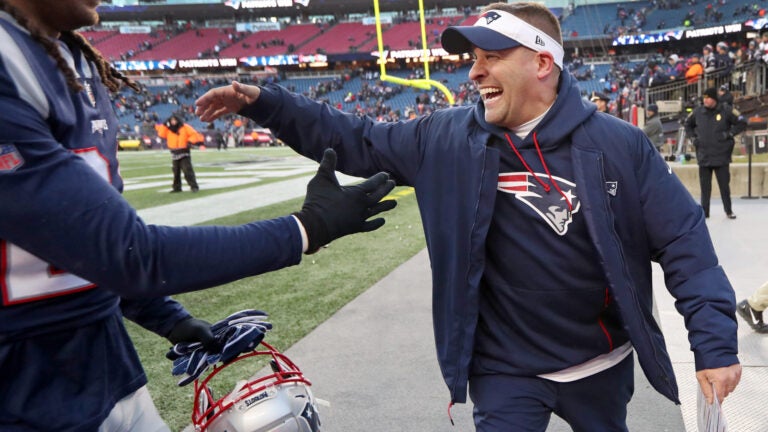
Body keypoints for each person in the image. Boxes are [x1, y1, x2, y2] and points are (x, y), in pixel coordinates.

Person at [196, 3, 742, 430]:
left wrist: (714, 345)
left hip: (599, 360)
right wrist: (266, 105)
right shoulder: (444, 137)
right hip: (503, 369)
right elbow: (357, 138)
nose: (474, 72)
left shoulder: (619, 145)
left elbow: (684, 244)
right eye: (472, 59)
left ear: (542, 63)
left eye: (491, 57)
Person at [0, 1, 397, 430]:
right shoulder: (10, 62)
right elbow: (129, 254)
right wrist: (307, 227)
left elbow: (84, 247)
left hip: (106, 366)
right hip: (21, 388)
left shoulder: (74, 60)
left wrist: (169, 319)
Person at [684, 87, 746, 219]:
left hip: (721, 155)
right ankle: (705, 212)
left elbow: (742, 122)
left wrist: (730, 134)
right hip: (704, 155)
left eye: (708, 98)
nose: (705, 100)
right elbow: (687, 125)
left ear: (714, 99)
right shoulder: (698, 112)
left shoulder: (726, 110)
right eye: (704, 98)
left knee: (724, 186)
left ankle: (728, 211)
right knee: (705, 188)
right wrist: (693, 138)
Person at [156, 114, 203, 192]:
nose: (173, 122)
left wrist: (189, 142)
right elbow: (161, 134)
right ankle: (177, 187)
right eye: (171, 120)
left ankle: (194, 186)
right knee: (176, 172)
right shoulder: (168, 129)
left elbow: (194, 134)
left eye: (174, 120)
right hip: (174, 152)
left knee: (187, 170)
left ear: (178, 120)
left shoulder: (185, 127)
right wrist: (164, 125)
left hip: (184, 152)